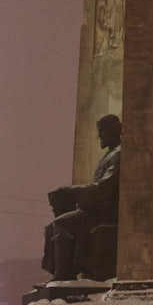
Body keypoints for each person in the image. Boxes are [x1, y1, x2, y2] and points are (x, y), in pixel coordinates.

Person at [42, 114, 121, 281]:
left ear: (111, 132)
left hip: (107, 210)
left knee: (62, 223)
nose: (99, 136)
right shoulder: (110, 154)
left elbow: (105, 187)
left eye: (102, 132)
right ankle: (60, 270)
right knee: (51, 227)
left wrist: (73, 192)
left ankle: (64, 274)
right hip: (97, 207)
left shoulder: (119, 154)